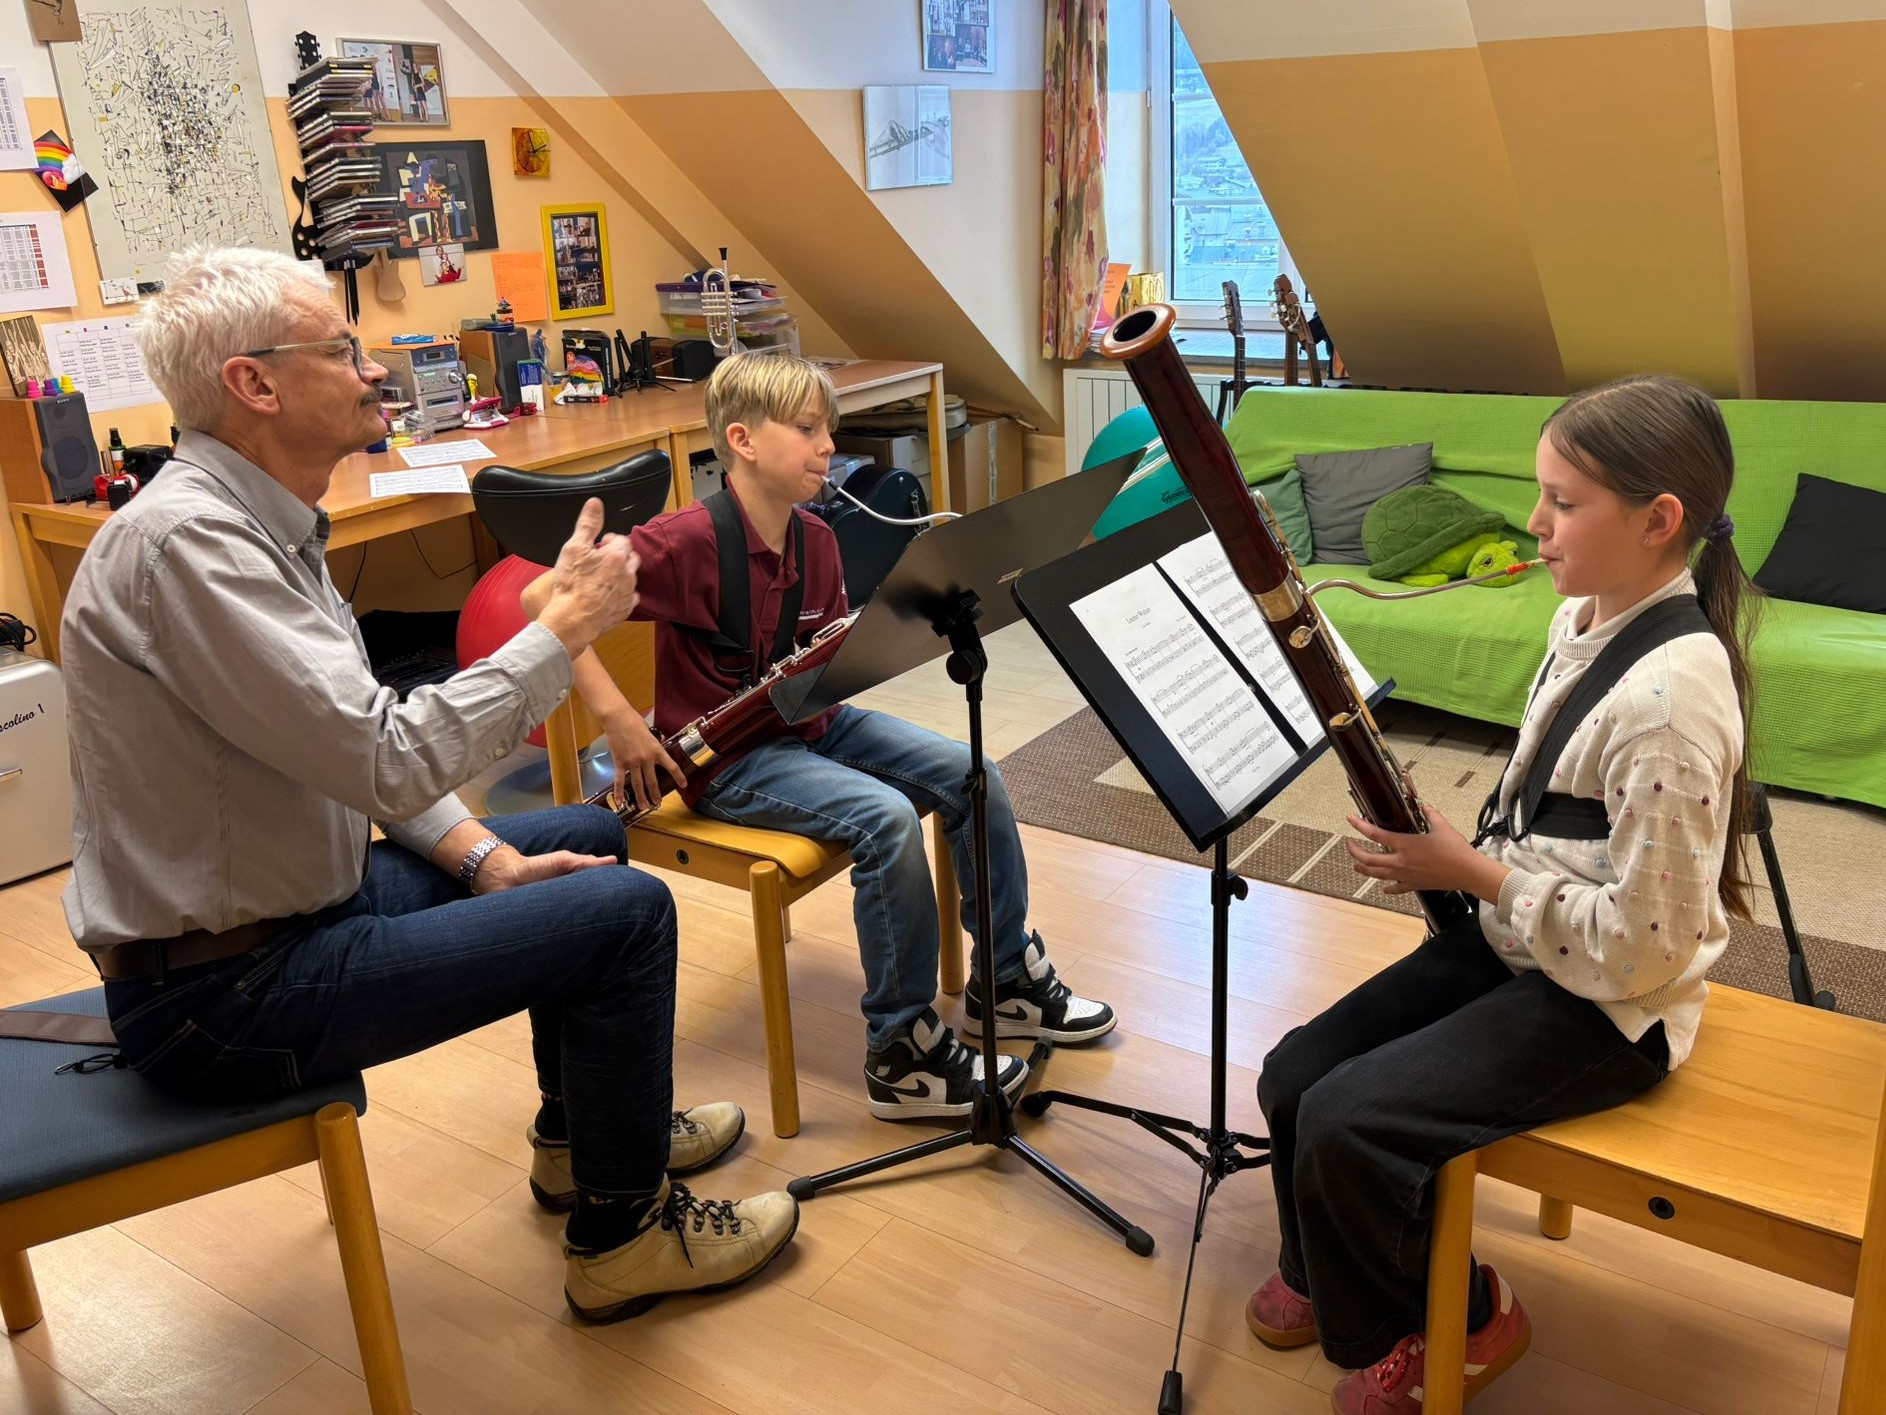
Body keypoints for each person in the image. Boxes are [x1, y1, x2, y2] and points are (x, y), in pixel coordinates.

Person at [60, 246, 796, 1325]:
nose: (373, 371)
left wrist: (487, 859)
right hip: (221, 997)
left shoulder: (257, 521)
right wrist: (559, 633)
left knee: (588, 839)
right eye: (341, 350)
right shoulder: (188, 548)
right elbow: (386, 756)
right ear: (253, 384)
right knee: (626, 913)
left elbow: (350, 751)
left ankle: (590, 1140)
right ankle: (624, 1237)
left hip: (290, 918)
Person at [1244, 374, 1759, 1412]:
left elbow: (1645, 949)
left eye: (1563, 502)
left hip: (1612, 1004)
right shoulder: (1584, 616)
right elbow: (1555, 808)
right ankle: (1328, 1266)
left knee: (1352, 1122)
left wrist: (1470, 870)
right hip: (1527, 939)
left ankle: (1468, 1315)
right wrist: (1466, 846)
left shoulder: (1668, 706)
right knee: (1294, 1073)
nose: (1533, 522)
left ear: (1658, 520)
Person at [527, 353, 1118, 1121]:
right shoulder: (685, 541)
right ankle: (900, 1051)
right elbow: (540, 598)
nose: (828, 445)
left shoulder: (819, 538)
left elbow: (825, 665)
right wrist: (618, 718)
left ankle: (1005, 978)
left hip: (813, 724)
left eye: (827, 429)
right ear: (741, 440)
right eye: (807, 429)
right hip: (729, 761)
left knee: (974, 770)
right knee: (885, 819)